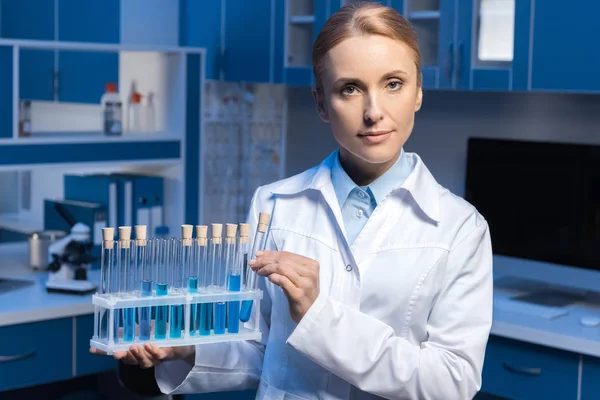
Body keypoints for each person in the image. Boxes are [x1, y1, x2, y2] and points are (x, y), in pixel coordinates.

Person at [91, 2, 493, 399]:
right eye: (349, 89)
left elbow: (451, 382)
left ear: (418, 91)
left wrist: (318, 317)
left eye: (393, 84)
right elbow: (261, 349)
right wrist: (184, 351)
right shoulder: (275, 205)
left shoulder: (460, 229)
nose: (374, 112)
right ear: (321, 102)